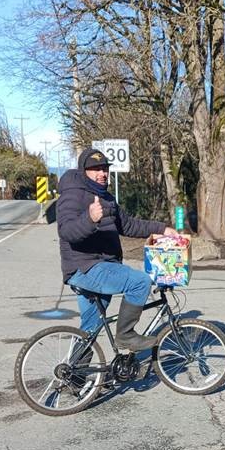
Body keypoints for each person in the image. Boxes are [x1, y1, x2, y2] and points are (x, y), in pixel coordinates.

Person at [57, 147, 175, 351]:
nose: (102, 173)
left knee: (90, 329)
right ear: (84, 171)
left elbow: (128, 225)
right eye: (96, 169)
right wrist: (89, 219)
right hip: (85, 267)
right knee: (140, 282)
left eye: (105, 169)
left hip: (101, 265)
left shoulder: (106, 197)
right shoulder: (73, 195)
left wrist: (161, 229)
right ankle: (126, 335)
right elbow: (66, 231)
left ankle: (75, 370)